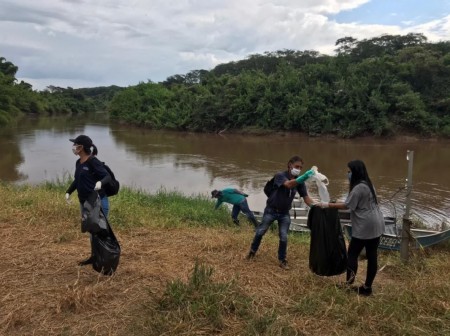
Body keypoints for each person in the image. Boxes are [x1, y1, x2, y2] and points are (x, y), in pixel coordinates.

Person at [319, 160, 385, 296]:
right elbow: (351, 203)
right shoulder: (368, 184)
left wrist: (326, 205)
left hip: (365, 225)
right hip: (377, 222)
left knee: (352, 254)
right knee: (372, 255)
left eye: (349, 171)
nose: (347, 174)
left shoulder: (358, 188)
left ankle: (349, 283)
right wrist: (334, 202)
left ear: (355, 172)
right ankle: (367, 288)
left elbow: (347, 206)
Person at [246, 156, 317, 270]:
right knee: (260, 232)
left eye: (301, 167)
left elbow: (306, 199)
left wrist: (317, 207)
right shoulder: (280, 175)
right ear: (290, 165)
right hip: (271, 210)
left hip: (284, 213)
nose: (298, 169)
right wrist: (304, 177)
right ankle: (252, 252)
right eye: (296, 166)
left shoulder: (300, 182)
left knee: (283, 237)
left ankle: (282, 260)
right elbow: (288, 184)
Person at [65, 135, 112, 266]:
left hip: (98, 203)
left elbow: (107, 177)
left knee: (100, 231)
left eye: (75, 145)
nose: (73, 147)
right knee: (92, 232)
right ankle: (94, 257)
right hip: (84, 204)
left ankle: (107, 259)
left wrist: (100, 183)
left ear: (81, 147)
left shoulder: (93, 161)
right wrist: (68, 192)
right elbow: (77, 180)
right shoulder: (78, 162)